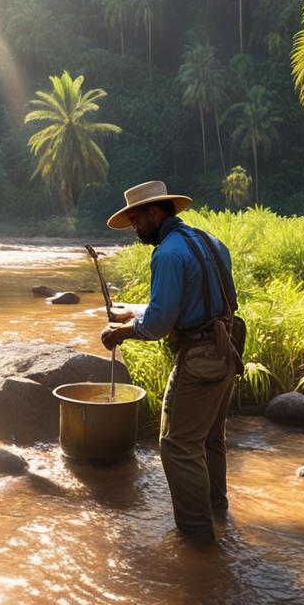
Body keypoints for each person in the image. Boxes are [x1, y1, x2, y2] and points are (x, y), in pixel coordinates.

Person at [100, 180, 240, 544]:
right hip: (228, 349)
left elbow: (161, 324)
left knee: (178, 445)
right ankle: (216, 513)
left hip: (199, 356)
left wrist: (121, 333)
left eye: (136, 220)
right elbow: (199, 302)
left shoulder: (165, 254)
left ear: (155, 212)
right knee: (210, 439)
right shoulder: (209, 241)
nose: (135, 228)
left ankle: (197, 540)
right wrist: (132, 311)